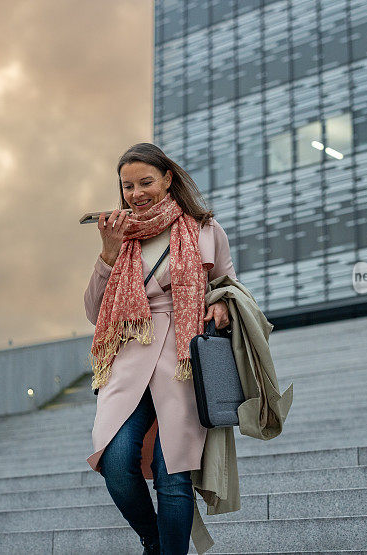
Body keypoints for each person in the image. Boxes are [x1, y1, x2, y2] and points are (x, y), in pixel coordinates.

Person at [83, 142, 237, 554]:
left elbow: (228, 284)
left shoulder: (205, 229)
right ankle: (152, 538)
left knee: (174, 477)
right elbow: (95, 312)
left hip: (183, 359)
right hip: (129, 356)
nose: (136, 193)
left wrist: (220, 303)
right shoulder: (121, 235)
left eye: (145, 182)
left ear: (168, 178)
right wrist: (108, 253)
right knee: (114, 461)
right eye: (127, 186)